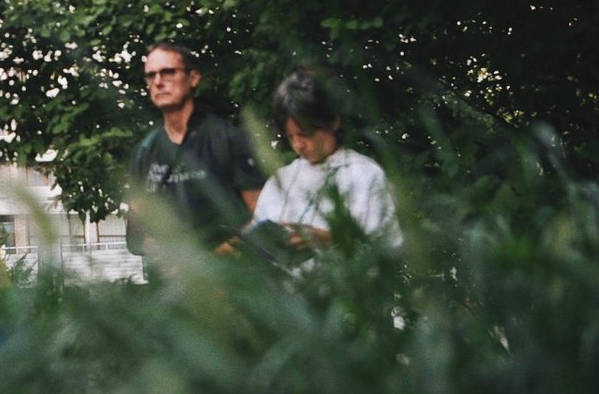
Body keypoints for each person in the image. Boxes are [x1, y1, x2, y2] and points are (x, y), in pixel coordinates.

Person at [125, 41, 265, 256]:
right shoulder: (144, 152)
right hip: (170, 273)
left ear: (193, 78)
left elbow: (261, 220)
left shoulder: (229, 139)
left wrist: (211, 257)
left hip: (231, 272)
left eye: (168, 72)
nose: (158, 82)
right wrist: (169, 254)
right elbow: (135, 237)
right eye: (151, 75)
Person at [245, 67, 400, 251]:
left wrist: (331, 240)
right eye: (291, 136)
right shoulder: (282, 179)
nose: (298, 145)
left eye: (305, 134)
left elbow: (386, 251)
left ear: (333, 121)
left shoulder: (365, 174)